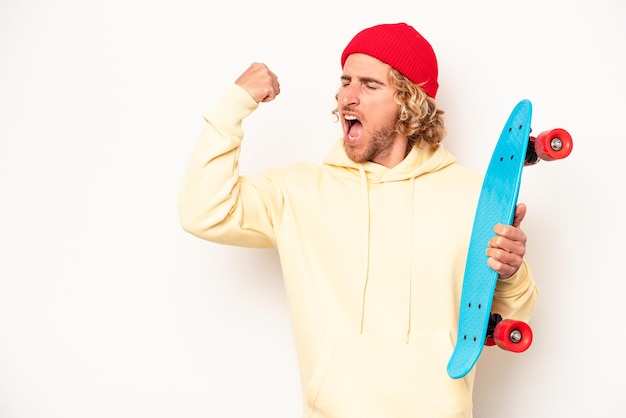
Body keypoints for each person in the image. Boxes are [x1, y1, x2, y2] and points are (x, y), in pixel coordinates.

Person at [178, 22, 538, 418]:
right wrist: (234, 104)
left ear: (409, 101)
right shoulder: (299, 192)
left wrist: (510, 271)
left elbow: (515, 315)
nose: (347, 97)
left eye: (369, 85)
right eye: (345, 80)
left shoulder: (474, 196)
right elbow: (203, 211)